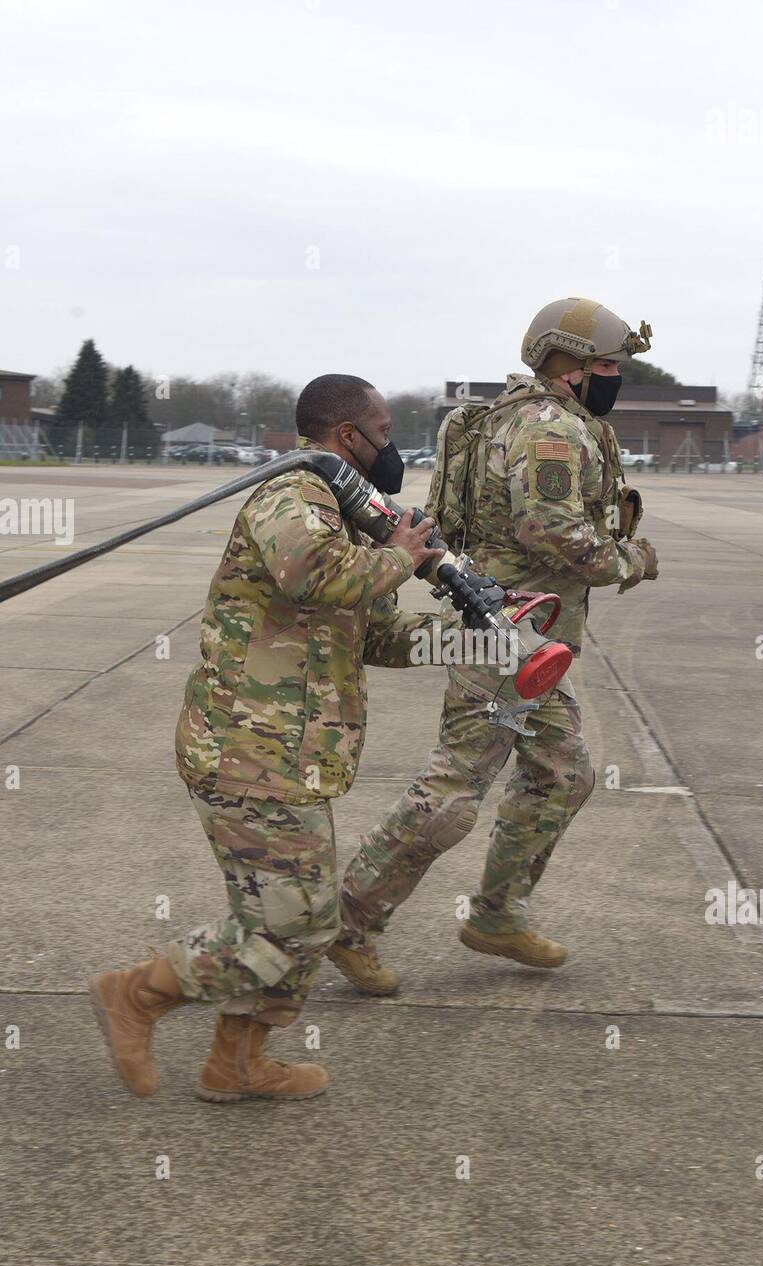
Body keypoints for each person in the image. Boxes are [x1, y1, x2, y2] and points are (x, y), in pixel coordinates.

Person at [89, 374, 442, 1102]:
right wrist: (403, 557)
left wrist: (474, 640)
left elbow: (372, 631)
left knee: (298, 921)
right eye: (382, 427)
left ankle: (237, 1064)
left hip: (294, 756)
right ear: (349, 436)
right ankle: (138, 994)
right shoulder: (295, 495)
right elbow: (314, 579)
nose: (392, 444)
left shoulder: (339, 516)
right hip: (249, 752)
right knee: (293, 927)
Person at [335, 298, 660, 994]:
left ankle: (496, 914)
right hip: (505, 640)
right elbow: (551, 530)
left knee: (563, 776)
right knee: (451, 794)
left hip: (533, 643)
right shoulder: (550, 430)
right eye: (605, 364)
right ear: (566, 364)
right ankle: (348, 925)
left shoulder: (515, 416)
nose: (614, 376)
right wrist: (632, 561)